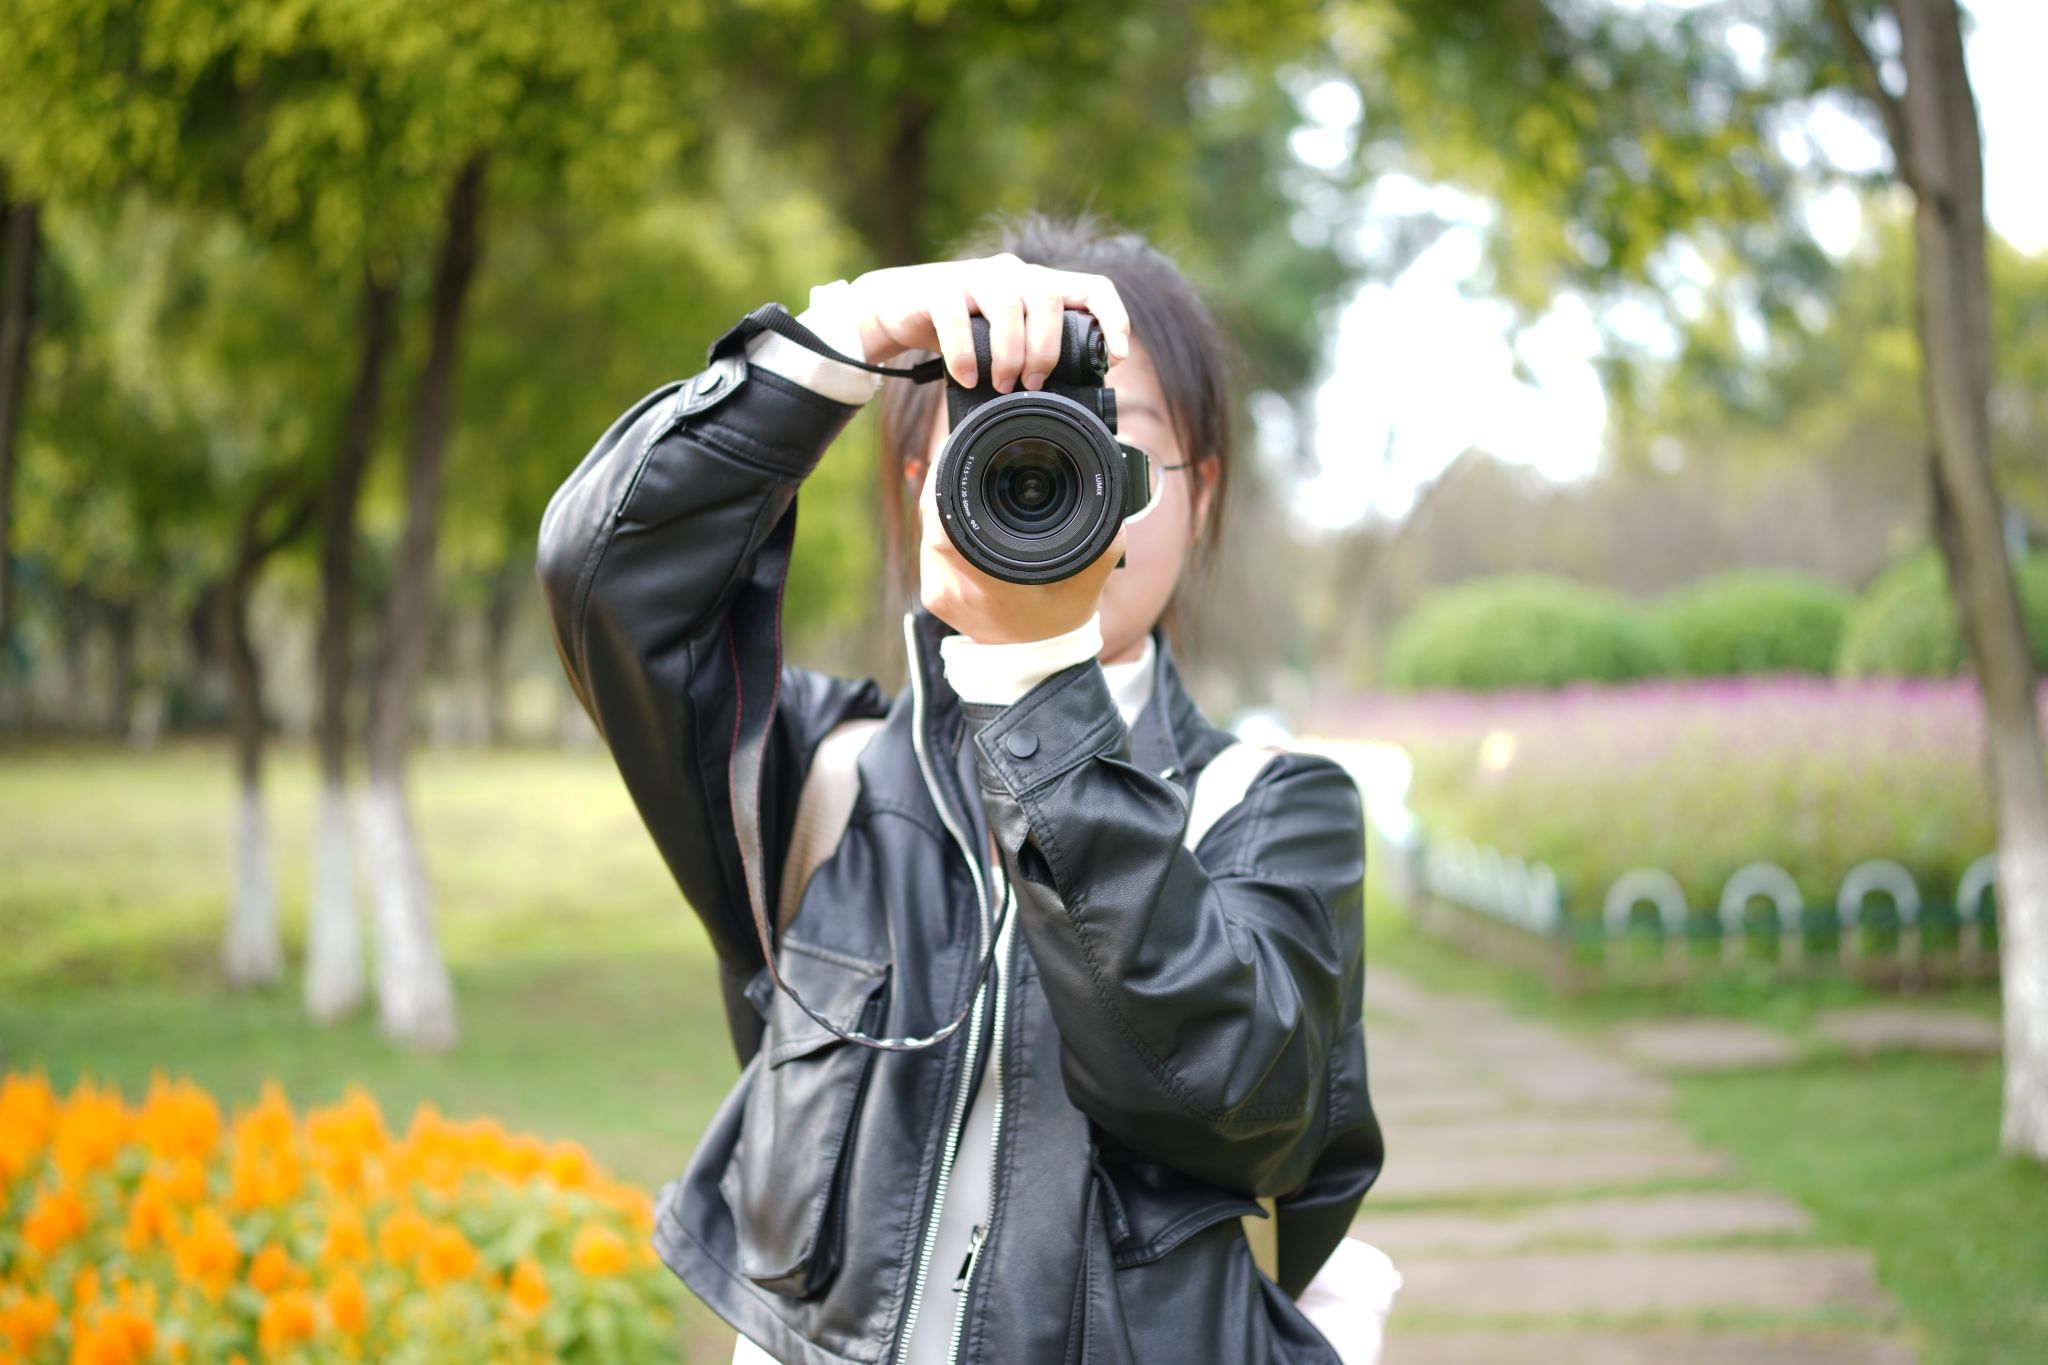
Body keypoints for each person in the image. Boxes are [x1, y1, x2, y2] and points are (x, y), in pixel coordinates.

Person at [534, 211, 1384, 1365]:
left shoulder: (1276, 808)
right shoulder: (818, 778)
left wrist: (1032, 680)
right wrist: (836, 338)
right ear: (919, 484)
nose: (1051, 477)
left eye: (1106, 442)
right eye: (998, 437)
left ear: (1199, 491)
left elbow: (1232, 1102)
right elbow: (608, 577)